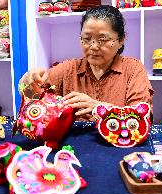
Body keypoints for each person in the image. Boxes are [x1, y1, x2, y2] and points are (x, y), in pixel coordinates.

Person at [19, 5, 154, 121]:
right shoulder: (68, 69)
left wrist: (98, 108)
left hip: (120, 144)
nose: (94, 46)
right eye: (87, 39)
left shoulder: (133, 69)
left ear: (121, 40)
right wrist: (29, 81)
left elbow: (142, 117)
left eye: (103, 39)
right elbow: (32, 98)